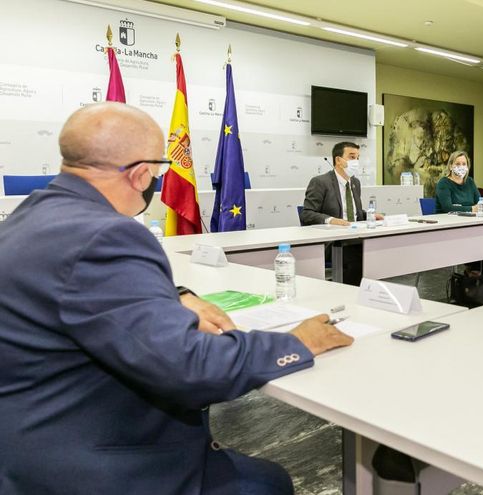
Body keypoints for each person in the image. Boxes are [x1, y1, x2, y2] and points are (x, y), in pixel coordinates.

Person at [0, 102, 354, 494]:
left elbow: (74, 285)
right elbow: (193, 369)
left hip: (27, 437)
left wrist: (175, 294)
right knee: (269, 484)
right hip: (91, 462)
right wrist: (296, 342)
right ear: (139, 175)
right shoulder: (107, 235)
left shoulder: (31, 215)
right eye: (158, 171)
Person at [301, 141, 382, 285]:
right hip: (332, 241)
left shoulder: (355, 183)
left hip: (355, 234)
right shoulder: (320, 182)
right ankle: (353, 294)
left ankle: (371, 291)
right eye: (352, 157)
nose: (356, 162)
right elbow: (307, 214)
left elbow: (355, 214)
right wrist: (331, 220)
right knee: (357, 252)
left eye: (358, 157)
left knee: (379, 245)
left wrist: (369, 216)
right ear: (338, 160)